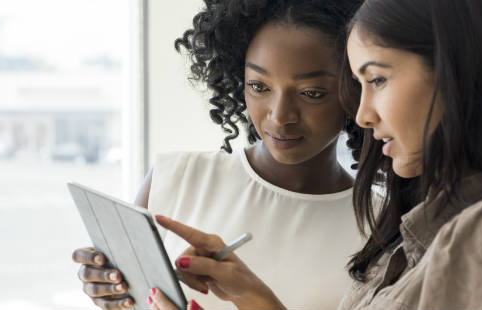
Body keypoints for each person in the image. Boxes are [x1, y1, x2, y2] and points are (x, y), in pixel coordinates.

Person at [147, 0, 482, 309]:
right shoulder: (418, 225)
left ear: (454, 74)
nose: (363, 114)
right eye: (359, 84)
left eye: (378, 80)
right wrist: (254, 298)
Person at [71, 0, 370, 309]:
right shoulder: (175, 179)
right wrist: (115, 291)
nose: (280, 116)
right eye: (258, 86)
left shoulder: (381, 225)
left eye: (311, 93)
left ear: (358, 89)